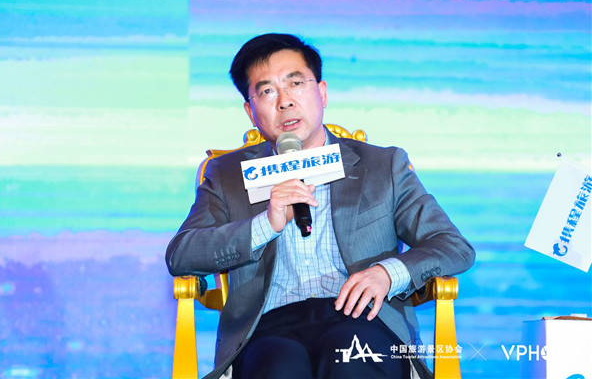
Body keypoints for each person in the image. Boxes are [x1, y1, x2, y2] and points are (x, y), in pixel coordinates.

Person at [166, 33, 475, 379]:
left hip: (364, 317)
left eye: (295, 83)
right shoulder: (228, 174)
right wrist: (266, 225)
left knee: (350, 362)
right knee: (279, 369)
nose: (284, 102)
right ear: (250, 112)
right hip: (268, 328)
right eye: (267, 91)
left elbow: (453, 246)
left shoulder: (381, 165)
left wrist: (388, 273)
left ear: (322, 92)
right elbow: (181, 255)